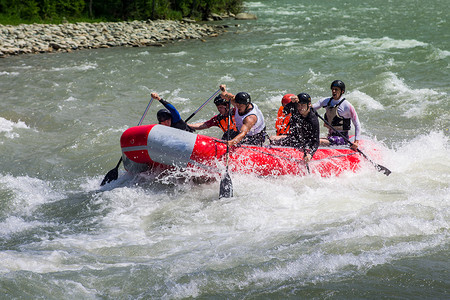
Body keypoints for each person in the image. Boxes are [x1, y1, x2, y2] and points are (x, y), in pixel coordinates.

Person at [269, 93, 319, 163]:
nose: (300, 108)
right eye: (299, 105)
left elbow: (316, 142)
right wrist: (291, 102)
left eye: (303, 105)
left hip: (307, 142)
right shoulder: (296, 109)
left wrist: (310, 154)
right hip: (294, 138)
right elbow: (285, 111)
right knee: (272, 140)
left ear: (309, 104)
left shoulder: (313, 120)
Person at [312, 80, 360, 150]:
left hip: (342, 139)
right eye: (333, 89)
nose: (334, 91)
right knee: (312, 139)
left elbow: (357, 124)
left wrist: (356, 142)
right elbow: (311, 108)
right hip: (330, 136)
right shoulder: (326, 101)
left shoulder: (347, 106)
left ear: (342, 92)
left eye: (336, 89)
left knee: (318, 141)